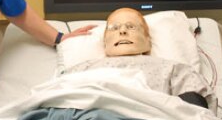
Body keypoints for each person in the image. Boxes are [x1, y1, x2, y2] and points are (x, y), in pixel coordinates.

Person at [65, 7, 212, 107]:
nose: (122, 31)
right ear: (105, 43)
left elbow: (196, 110)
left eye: (131, 27)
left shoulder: (174, 69)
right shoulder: (80, 71)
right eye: (114, 28)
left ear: (148, 41)